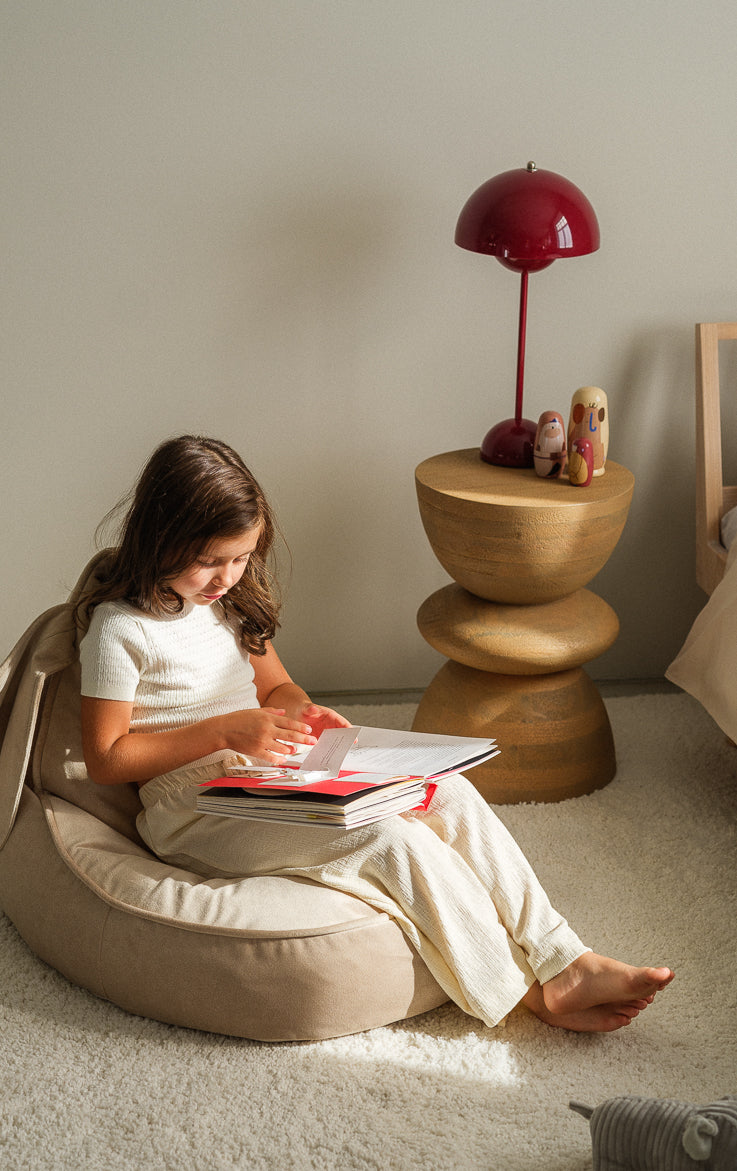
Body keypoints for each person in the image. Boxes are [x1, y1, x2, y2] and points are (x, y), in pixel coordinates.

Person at [77, 434, 674, 1033]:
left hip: (274, 773)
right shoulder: (120, 630)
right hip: (194, 811)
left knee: (448, 795)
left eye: (241, 558)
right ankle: (528, 993)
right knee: (391, 841)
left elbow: (277, 688)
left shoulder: (225, 606)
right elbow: (107, 758)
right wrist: (222, 733)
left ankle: (562, 955)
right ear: (161, 536)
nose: (227, 577)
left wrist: (302, 712)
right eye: (210, 560)